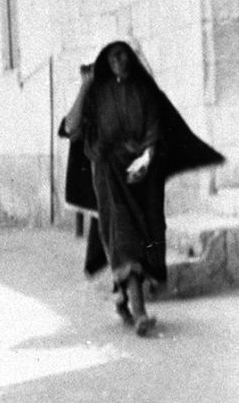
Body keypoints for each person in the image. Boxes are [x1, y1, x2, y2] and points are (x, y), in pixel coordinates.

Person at [60, 40, 224, 335]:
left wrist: (146, 159)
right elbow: (72, 128)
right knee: (123, 236)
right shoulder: (96, 94)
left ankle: (122, 297)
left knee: (145, 239)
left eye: (122, 55)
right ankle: (140, 312)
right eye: (111, 58)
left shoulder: (145, 92)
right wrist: (84, 86)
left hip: (142, 179)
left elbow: (155, 134)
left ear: (131, 57)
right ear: (104, 63)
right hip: (109, 177)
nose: (118, 61)